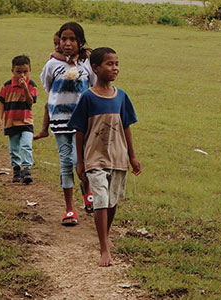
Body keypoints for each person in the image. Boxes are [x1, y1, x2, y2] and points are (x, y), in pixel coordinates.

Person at [68, 47, 142, 267]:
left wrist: (133, 156)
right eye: (109, 64)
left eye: (117, 63)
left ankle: (105, 236)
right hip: (95, 158)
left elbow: (126, 127)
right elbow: (79, 131)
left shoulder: (121, 96)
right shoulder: (87, 98)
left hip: (118, 157)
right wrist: (80, 162)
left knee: (112, 201)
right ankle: (104, 248)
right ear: (95, 68)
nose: (115, 68)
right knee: (100, 198)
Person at [39, 22, 96, 226]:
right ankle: (70, 209)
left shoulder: (87, 64)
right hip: (60, 121)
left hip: (82, 121)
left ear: (80, 42)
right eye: (64, 39)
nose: (68, 43)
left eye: (72, 39)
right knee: (66, 162)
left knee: (81, 161)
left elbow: (94, 86)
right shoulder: (52, 65)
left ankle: (87, 191)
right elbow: (48, 87)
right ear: (59, 42)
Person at [0, 55, 37, 184]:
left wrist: (25, 87)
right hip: (11, 122)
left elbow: (30, 101)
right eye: (18, 72)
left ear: (30, 70)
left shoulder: (31, 85)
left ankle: (26, 169)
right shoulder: (7, 85)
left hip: (26, 121)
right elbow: (2, 102)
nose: (22, 75)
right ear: (12, 71)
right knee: (14, 148)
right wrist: (0, 118)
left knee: (26, 145)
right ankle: (16, 169)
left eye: (25, 72)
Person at [34, 31, 62, 141]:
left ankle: (44, 130)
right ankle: (44, 130)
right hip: (56, 93)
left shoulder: (62, 57)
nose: (56, 47)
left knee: (48, 106)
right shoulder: (54, 59)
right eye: (55, 44)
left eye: (58, 44)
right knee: (47, 106)